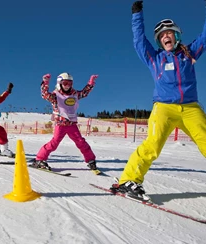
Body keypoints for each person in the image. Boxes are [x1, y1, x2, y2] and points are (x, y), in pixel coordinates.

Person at [115, 1, 206, 201]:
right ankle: (128, 180)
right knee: (153, 144)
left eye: (169, 32)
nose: (166, 36)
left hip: (191, 108)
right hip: (163, 108)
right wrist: (136, 15)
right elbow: (139, 41)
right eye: (162, 35)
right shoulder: (155, 59)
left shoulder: (189, 54)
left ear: (177, 35)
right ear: (159, 41)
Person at [31, 72, 99, 171]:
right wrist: (45, 82)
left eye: (70, 83)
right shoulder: (55, 95)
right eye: (65, 83)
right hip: (60, 124)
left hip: (72, 124)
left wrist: (91, 83)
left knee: (81, 142)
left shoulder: (75, 94)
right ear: (59, 83)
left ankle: (91, 160)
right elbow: (45, 95)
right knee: (54, 143)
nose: (67, 86)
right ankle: (40, 159)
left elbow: (85, 92)